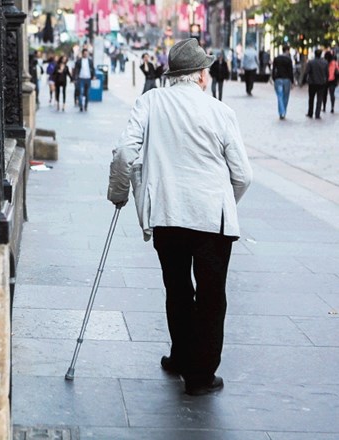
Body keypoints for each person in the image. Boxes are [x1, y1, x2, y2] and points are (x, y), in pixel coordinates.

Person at [107, 38, 252, 396]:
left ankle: (180, 355)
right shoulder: (221, 111)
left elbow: (125, 152)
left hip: (168, 216)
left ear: (173, 75)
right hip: (212, 221)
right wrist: (225, 202)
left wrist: (119, 193)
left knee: (177, 288)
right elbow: (243, 175)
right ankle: (200, 375)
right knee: (211, 296)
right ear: (201, 75)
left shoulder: (150, 102)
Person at [303, 49, 328, 119]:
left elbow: (306, 72)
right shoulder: (325, 62)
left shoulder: (311, 62)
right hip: (321, 83)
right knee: (319, 99)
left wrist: (304, 81)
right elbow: (327, 73)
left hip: (312, 83)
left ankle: (310, 113)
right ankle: (317, 114)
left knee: (311, 98)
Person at [271, 45, 294, 120]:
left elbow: (274, 69)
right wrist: (292, 81)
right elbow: (291, 71)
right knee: (286, 96)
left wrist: (274, 78)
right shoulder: (289, 60)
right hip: (286, 79)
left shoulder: (277, 59)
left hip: (278, 79)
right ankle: (283, 111)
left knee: (279, 96)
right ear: (287, 50)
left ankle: (281, 112)